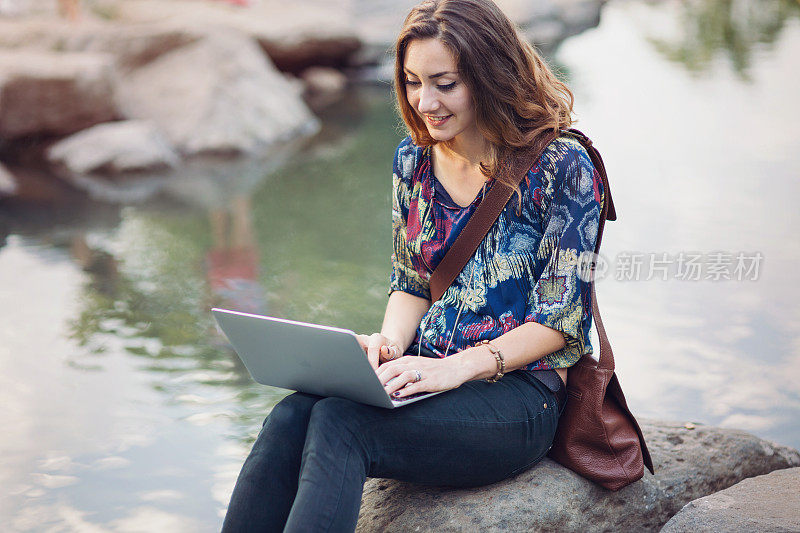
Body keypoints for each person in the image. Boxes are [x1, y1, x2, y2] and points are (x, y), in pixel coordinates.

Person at [221, 0, 603, 531]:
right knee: (292, 413)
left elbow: (560, 321)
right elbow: (411, 281)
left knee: (339, 423)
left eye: (445, 83)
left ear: (489, 75)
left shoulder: (564, 166)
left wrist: (455, 369)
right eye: (413, 82)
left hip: (519, 397)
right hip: (425, 375)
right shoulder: (413, 161)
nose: (426, 101)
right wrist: (390, 346)